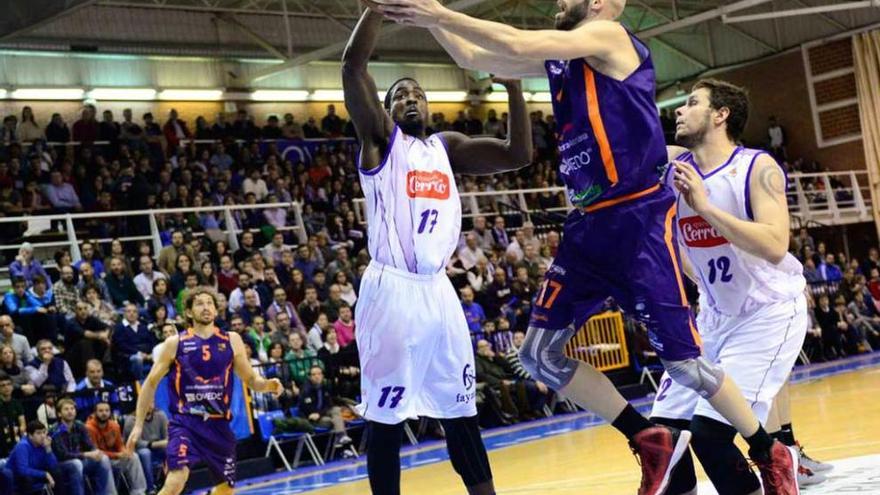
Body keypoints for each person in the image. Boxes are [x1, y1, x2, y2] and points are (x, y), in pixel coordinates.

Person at [372, 1, 800, 493]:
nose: (556, 3)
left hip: (637, 218)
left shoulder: (609, 36)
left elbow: (513, 43)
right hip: (588, 226)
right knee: (537, 356)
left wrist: (439, 10)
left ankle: (769, 450)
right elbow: (477, 57)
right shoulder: (564, 59)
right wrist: (422, 17)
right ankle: (646, 437)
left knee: (684, 366)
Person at [341, 8, 531, 495]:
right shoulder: (381, 142)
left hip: (438, 290)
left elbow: (518, 155)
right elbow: (352, 68)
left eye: (417, 94)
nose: (409, 98)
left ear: (431, 107)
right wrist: (377, 9)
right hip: (391, 288)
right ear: (384, 110)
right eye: (398, 94)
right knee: (385, 415)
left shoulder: (446, 147)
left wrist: (511, 87)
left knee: (460, 406)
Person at [650, 79, 809, 495]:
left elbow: (776, 245)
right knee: (665, 441)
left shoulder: (758, 167)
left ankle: (777, 455)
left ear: (720, 115)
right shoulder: (675, 169)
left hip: (767, 313)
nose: (679, 111)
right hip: (714, 316)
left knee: (708, 435)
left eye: (691, 103)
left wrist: (705, 207)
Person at [125, 288, 283, 495]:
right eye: (199, 303)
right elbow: (150, 383)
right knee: (175, 482)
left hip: (218, 424)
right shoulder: (176, 343)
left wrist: (268, 384)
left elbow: (251, 379)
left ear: (216, 311)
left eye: (210, 303)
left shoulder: (231, 340)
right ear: (189, 312)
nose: (206, 307)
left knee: (226, 490)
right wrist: (137, 425)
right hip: (186, 423)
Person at [50, 398, 115, 495]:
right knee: (76, 464)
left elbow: (89, 445)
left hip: (79, 461)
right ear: (59, 414)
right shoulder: (55, 430)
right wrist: (86, 454)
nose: (70, 412)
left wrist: (95, 451)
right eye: (66, 409)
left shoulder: (79, 425)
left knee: (103, 458)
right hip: (61, 466)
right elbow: (62, 455)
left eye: (72, 409)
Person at [86, 402, 147, 495]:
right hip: (97, 462)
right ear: (94, 413)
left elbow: (119, 445)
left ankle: (138, 492)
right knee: (104, 460)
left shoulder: (114, 426)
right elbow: (95, 452)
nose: (104, 413)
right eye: (101, 411)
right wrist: (117, 455)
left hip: (113, 459)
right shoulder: (89, 428)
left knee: (133, 456)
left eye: (107, 410)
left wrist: (123, 451)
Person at [297, 366, 352, 448]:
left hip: (321, 414)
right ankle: (341, 439)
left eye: (319, 374)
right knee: (335, 421)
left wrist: (320, 413)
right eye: (314, 374)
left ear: (322, 376)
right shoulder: (305, 390)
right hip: (311, 420)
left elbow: (329, 405)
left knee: (336, 409)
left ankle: (340, 437)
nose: (317, 376)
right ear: (310, 377)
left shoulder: (324, 387)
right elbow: (305, 409)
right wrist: (317, 414)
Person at [123, 405, 167, 495]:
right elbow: (136, 442)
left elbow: (167, 436)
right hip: (137, 450)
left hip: (157, 448)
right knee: (145, 453)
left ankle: (172, 482)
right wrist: (154, 444)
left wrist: (167, 443)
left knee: (173, 448)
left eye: (151, 402)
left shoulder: (161, 415)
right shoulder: (131, 420)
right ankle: (150, 489)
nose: (149, 405)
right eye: (146, 401)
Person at [8, 420, 59, 495]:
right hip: (18, 481)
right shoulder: (22, 446)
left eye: (44, 432)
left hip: (35, 477)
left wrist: (48, 449)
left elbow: (54, 466)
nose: (43, 436)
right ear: (30, 436)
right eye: (38, 433)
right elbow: (22, 470)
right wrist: (44, 474)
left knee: (57, 472)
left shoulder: (43, 445)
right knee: (27, 478)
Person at [112, 303, 158, 381]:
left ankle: (158, 381)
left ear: (138, 314)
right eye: (129, 311)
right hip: (129, 355)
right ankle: (140, 382)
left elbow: (151, 341)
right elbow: (122, 345)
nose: (132, 314)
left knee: (159, 353)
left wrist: (151, 353)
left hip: (146, 353)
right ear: (124, 314)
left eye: (134, 311)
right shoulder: (119, 327)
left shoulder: (143, 326)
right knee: (137, 358)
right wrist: (139, 353)